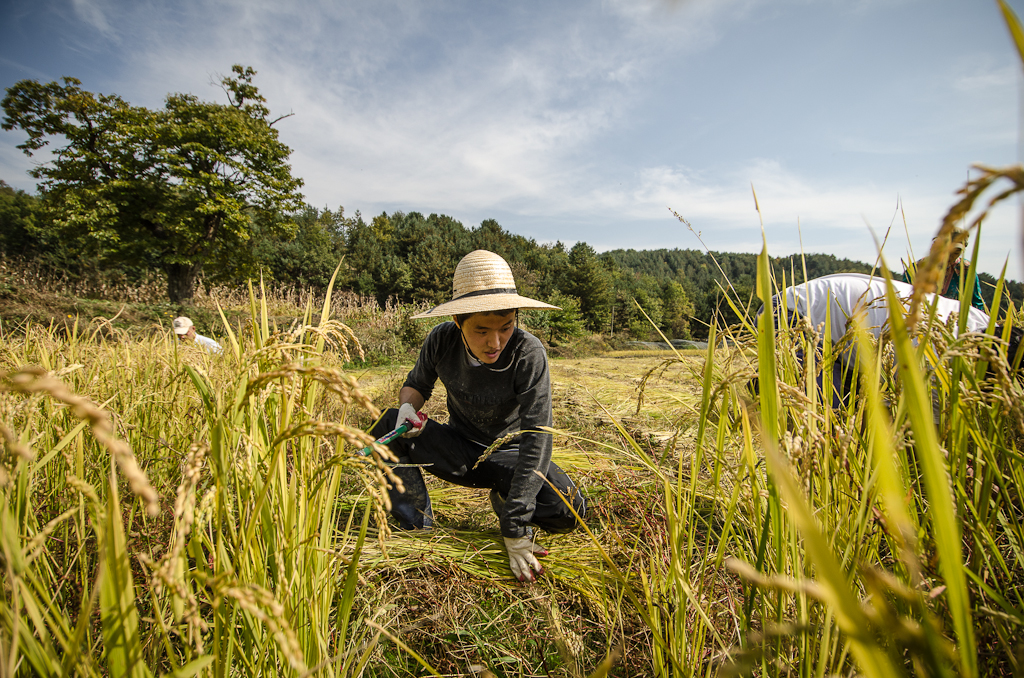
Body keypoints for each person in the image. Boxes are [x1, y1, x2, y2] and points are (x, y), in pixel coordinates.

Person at [370, 249, 587, 583]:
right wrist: (408, 410)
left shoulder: (528, 353)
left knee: (569, 510)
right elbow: (415, 385)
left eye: (506, 327)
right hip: (460, 449)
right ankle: (414, 523)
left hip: (511, 456)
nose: (494, 342)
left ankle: (505, 496)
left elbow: (538, 438)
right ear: (458, 322)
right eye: (482, 330)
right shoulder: (441, 341)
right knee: (387, 423)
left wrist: (514, 525)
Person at [768, 273, 1016, 407]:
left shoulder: (980, 319)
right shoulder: (939, 362)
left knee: (850, 408)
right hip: (795, 314)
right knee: (823, 421)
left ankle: (765, 385)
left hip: (825, 307)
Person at [902, 226, 985, 311]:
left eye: (956, 252)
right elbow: (904, 295)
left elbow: (976, 302)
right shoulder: (919, 267)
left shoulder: (966, 269)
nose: (950, 256)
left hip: (953, 316)